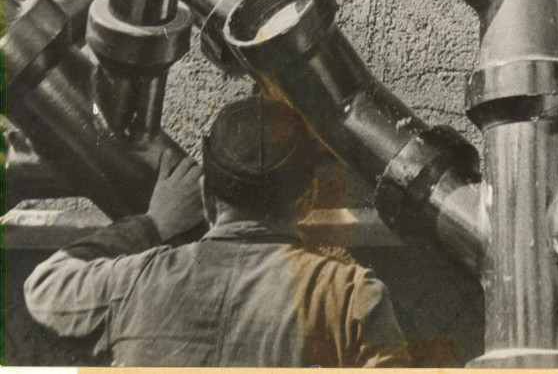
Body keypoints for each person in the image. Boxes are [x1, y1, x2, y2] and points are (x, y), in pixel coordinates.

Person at [23, 94, 407, 367]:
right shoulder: (350, 297)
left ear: (205, 195)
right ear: (308, 199)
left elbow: (44, 287)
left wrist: (154, 223)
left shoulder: (135, 281)